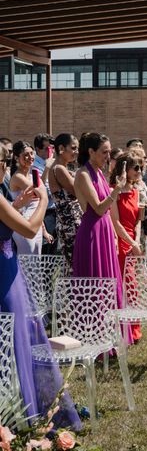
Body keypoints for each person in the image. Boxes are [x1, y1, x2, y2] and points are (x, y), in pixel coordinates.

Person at [0, 179, 81, 430]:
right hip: (5, 274)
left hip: (9, 270)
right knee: (16, 340)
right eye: (2, 161)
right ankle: (21, 416)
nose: (4, 167)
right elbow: (27, 228)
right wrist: (44, 200)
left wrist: (14, 205)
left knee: (10, 339)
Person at [72, 133, 132, 345]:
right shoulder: (82, 175)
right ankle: (94, 338)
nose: (108, 156)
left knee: (110, 281)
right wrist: (117, 188)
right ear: (91, 152)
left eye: (109, 151)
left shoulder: (98, 172)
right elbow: (97, 208)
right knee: (95, 285)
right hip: (92, 234)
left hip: (105, 232)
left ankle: (112, 337)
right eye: (104, 152)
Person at [110, 153, 144, 343]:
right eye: (136, 167)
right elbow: (116, 222)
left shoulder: (137, 191)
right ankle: (127, 330)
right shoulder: (114, 191)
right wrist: (131, 244)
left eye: (140, 167)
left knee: (133, 286)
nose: (139, 171)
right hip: (121, 243)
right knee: (127, 286)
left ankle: (134, 329)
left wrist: (137, 240)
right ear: (125, 169)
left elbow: (138, 220)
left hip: (133, 241)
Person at [9, 141, 51, 254]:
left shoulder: (33, 175)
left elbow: (37, 205)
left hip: (36, 224)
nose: (30, 157)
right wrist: (47, 167)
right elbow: (41, 194)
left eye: (32, 153)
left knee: (36, 265)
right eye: (26, 155)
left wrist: (44, 230)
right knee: (27, 265)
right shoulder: (18, 177)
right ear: (17, 158)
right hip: (23, 224)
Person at [49, 133, 82, 274]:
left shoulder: (64, 168)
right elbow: (78, 191)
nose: (77, 152)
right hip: (69, 223)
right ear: (61, 148)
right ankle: (72, 295)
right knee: (73, 266)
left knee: (72, 264)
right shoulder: (59, 169)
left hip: (71, 221)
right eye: (73, 148)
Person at [32, 133, 57, 254]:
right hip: (44, 214)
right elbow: (40, 192)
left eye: (53, 148)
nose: (51, 152)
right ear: (38, 149)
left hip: (54, 212)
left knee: (53, 253)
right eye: (48, 148)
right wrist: (47, 168)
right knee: (45, 252)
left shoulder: (54, 164)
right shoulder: (34, 167)